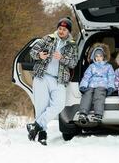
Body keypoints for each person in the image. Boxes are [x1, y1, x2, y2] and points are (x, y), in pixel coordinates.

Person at [27, 17, 78, 145]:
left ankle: (36, 125)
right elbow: (32, 51)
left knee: (59, 105)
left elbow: (73, 63)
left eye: (64, 29)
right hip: (42, 76)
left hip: (59, 80)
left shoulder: (72, 45)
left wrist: (62, 58)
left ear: (68, 31)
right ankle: (42, 134)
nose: (61, 31)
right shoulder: (47, 38)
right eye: (60, 28)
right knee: (41, 106)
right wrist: (39, 55)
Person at [78, 43, 115, 124]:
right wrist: (83, 85)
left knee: (98, 96)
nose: (98, 58)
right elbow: (86, 76)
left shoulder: (108, 66)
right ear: (94, 57)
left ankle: (98, 114)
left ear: (104, 57)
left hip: (102, 85)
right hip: (91, 85)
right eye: (96, 56)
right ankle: (83, 113)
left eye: (100, 56)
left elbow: (111, 77)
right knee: (87, 95)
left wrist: (110, 87)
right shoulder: (91, 66)